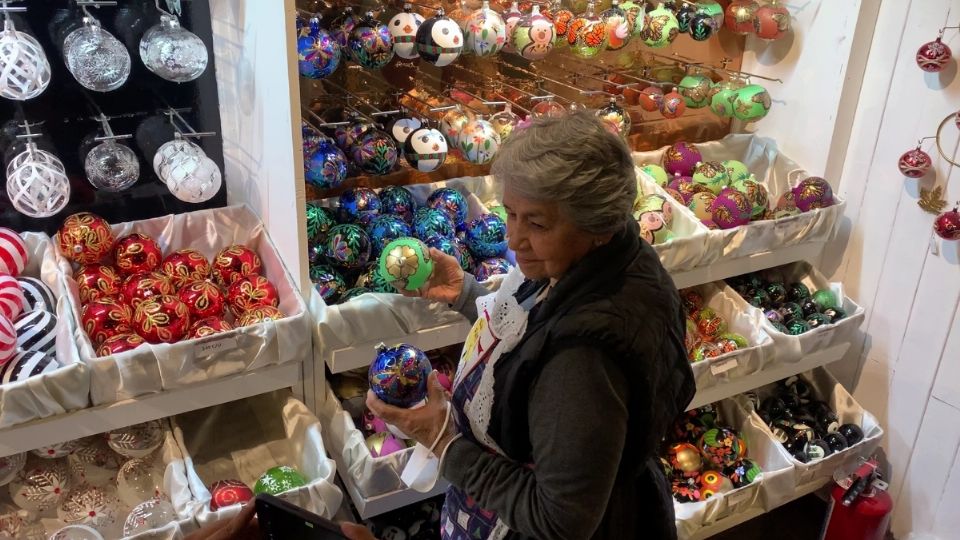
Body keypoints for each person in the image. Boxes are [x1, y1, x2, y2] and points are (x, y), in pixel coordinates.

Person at [347, 110, 696, 540]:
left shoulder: (584, 360)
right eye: (511, 213)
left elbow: (560, 520)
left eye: (536, 222)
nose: (512, 239)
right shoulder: (608, 256)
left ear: (597, 224)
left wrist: (445, 442)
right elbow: (532, 335)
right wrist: (466, 292)